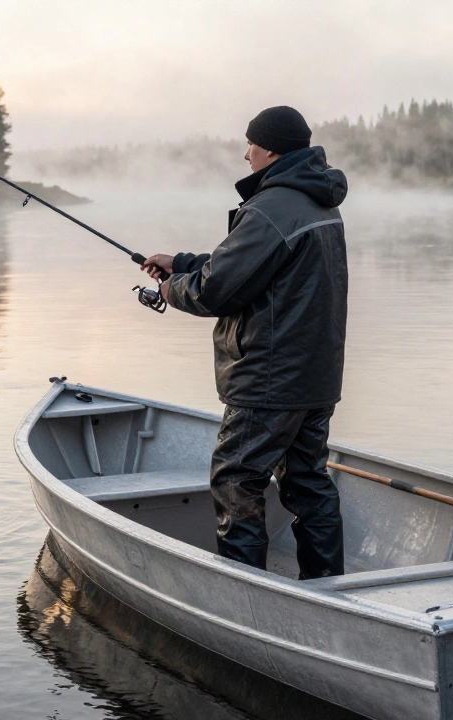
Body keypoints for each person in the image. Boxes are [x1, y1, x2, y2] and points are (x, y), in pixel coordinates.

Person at [142, 106, 348, 578]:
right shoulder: (318, 202)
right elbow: (256, 269)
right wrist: (183, 260)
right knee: (308, 483)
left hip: (269, 380)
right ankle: (328, 588)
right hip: (316, 377)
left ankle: (244, 594)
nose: (245, 153)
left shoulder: (272, 206)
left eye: (250, 144)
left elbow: (217, 290)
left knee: (236, 480)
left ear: (270, 149)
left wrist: (169, 288)